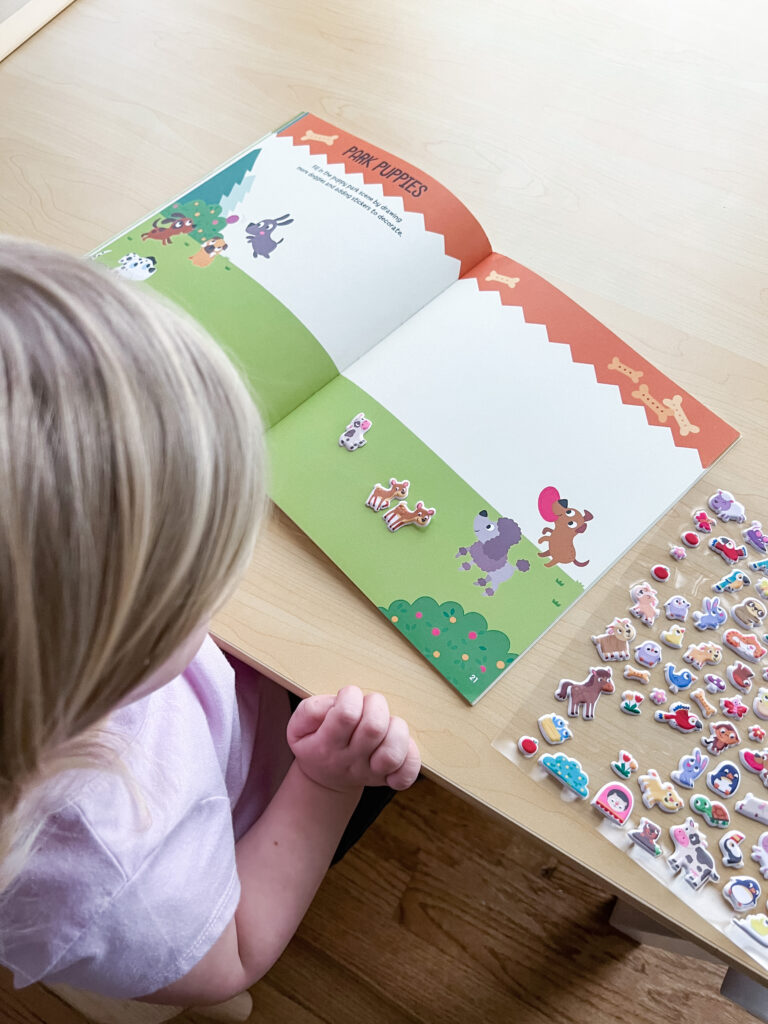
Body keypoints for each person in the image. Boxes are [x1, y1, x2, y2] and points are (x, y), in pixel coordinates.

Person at [0, 237, 421, 1006]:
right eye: (193, 585)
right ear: (103, 654)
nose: (222, 584)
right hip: (275, 796)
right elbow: (239, 947)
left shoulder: (47, 664)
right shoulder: (115, 885)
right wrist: (327, 781)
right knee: (419, 750)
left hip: (225, 715)